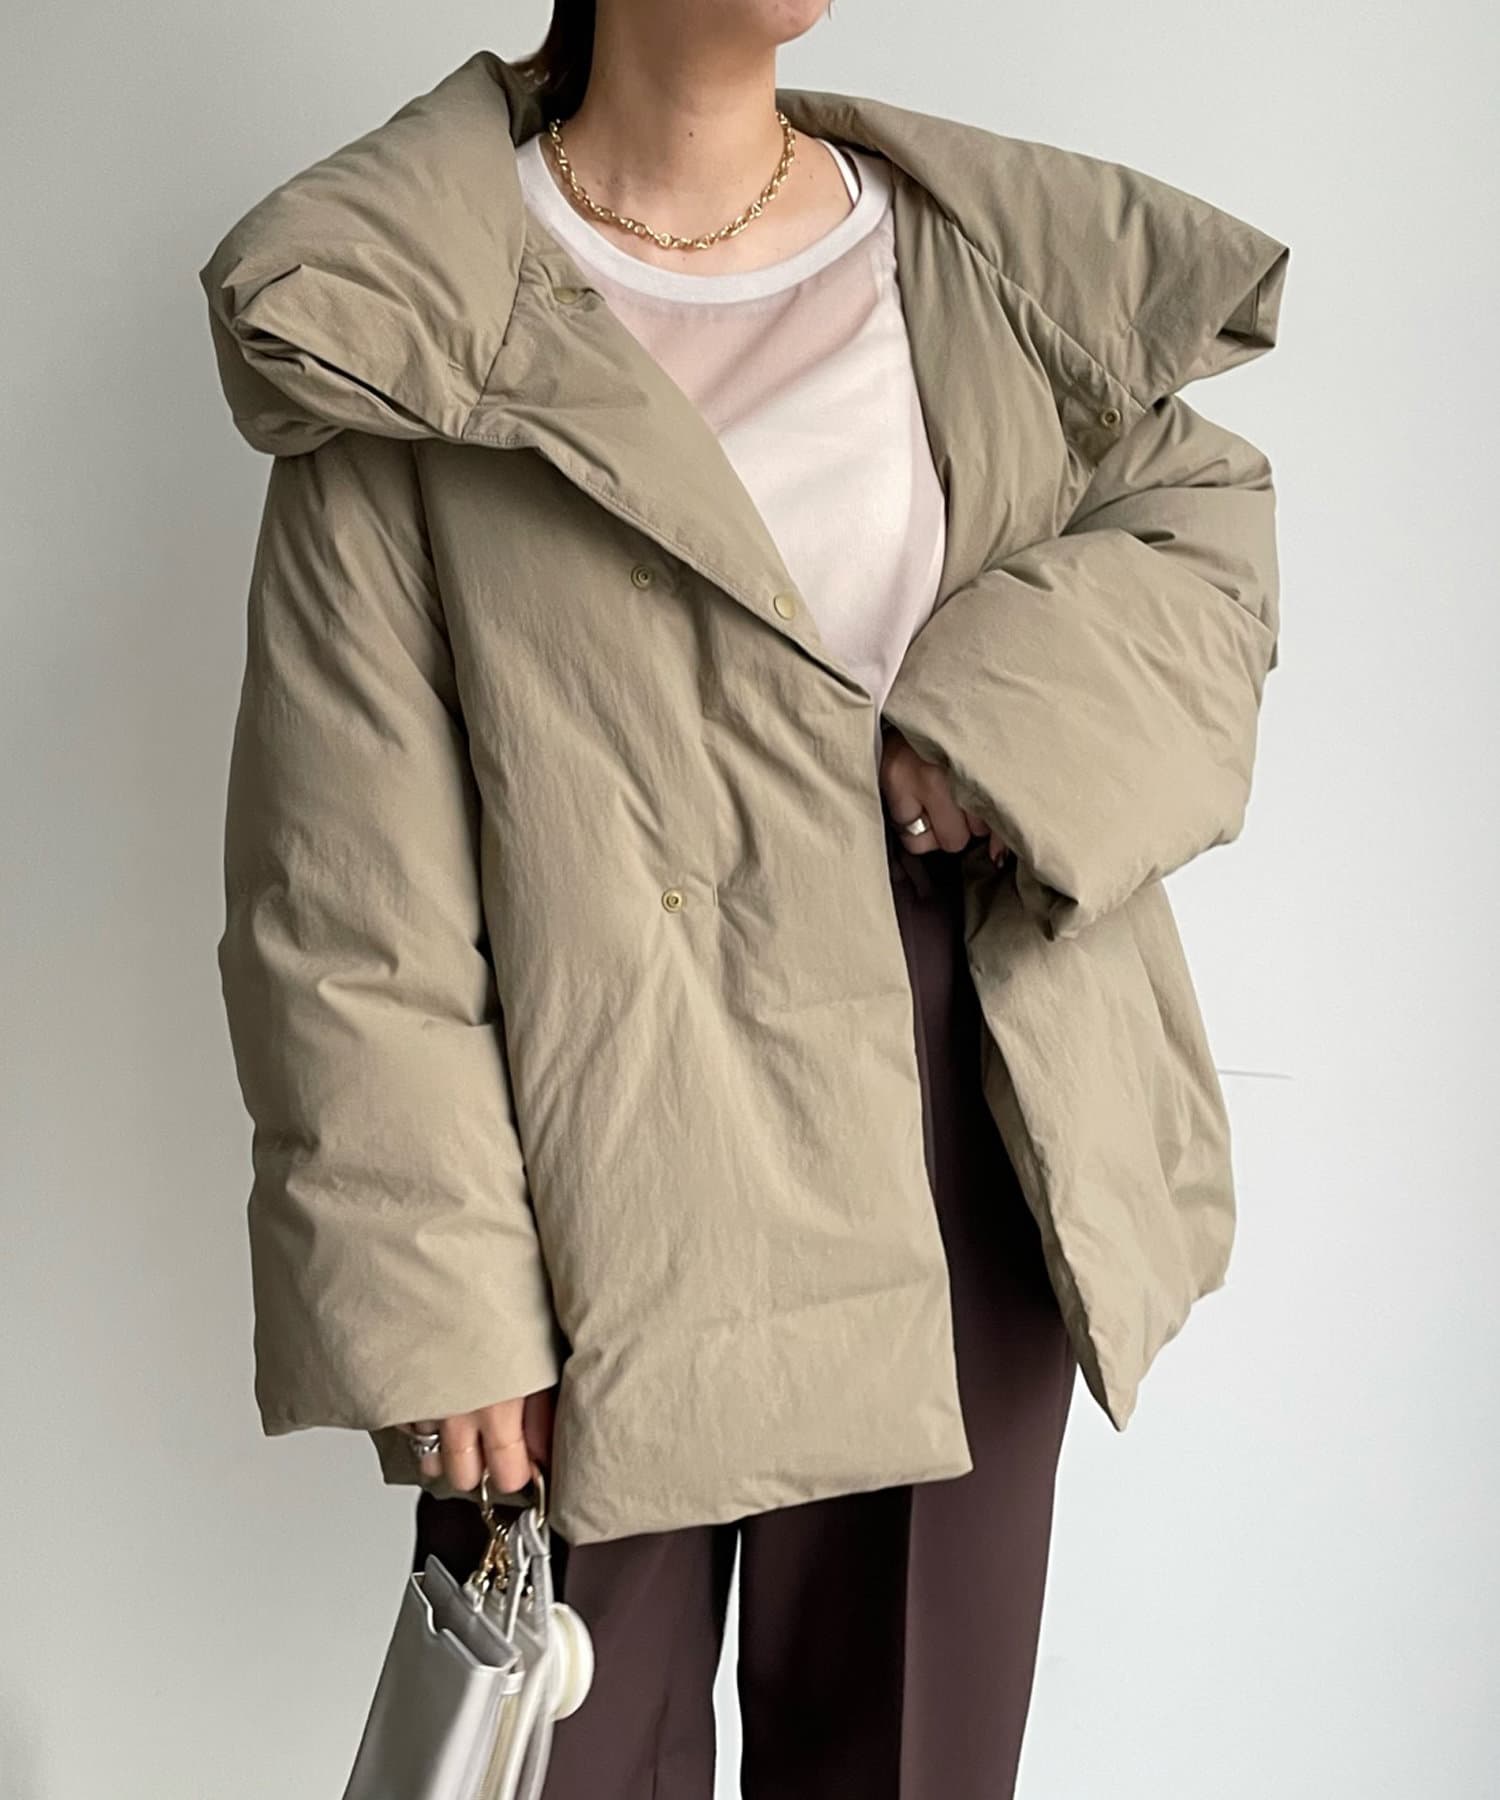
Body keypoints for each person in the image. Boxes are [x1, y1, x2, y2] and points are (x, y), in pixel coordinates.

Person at [199, 6, 1288, 1795]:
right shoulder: (412, 313)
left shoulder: (971, 263)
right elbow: (344, 892)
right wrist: (439, 1297)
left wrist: (985, 735)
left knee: (907, 1756)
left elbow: (1202, 536)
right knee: (566, 1752)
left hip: (956, 1108)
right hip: (599, 1145)